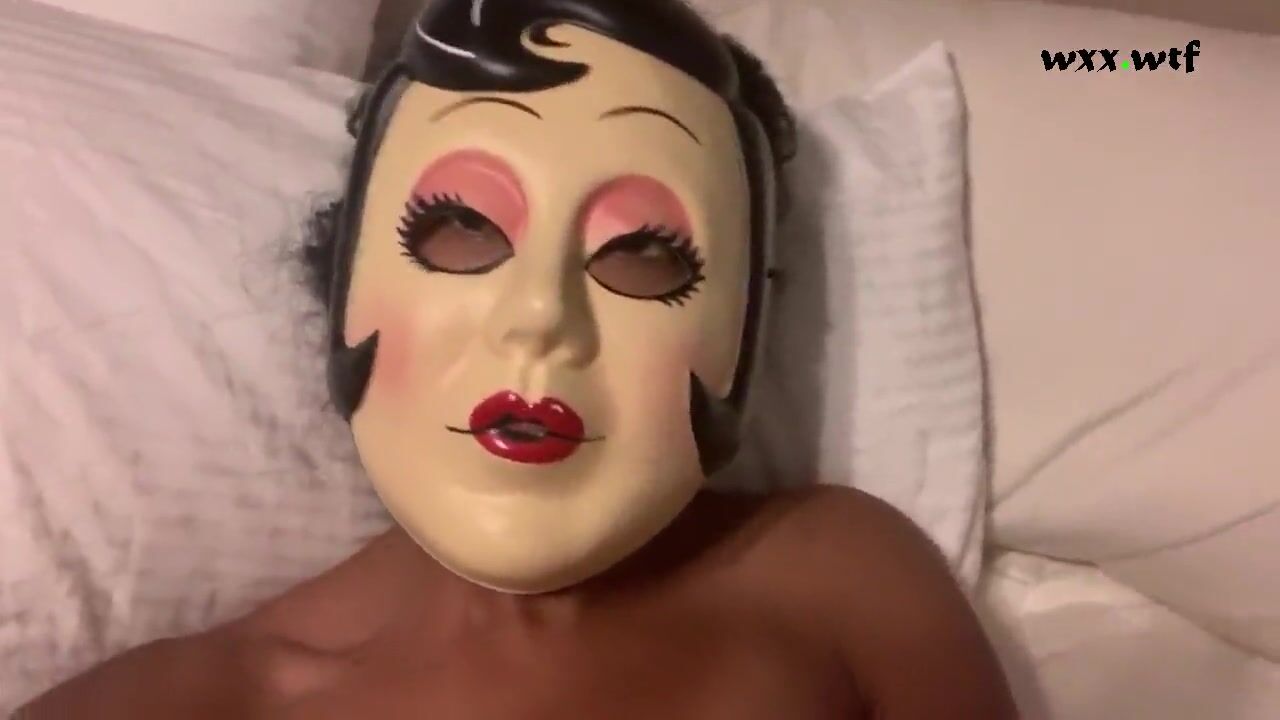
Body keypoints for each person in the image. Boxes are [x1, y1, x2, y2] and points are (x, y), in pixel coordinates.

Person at [17, 0, 1018, 717]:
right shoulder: (204, 699)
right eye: (462, 228)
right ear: (346, 281)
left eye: (640, 251)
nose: (542, 317)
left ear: (743, 331)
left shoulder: (836, 574)